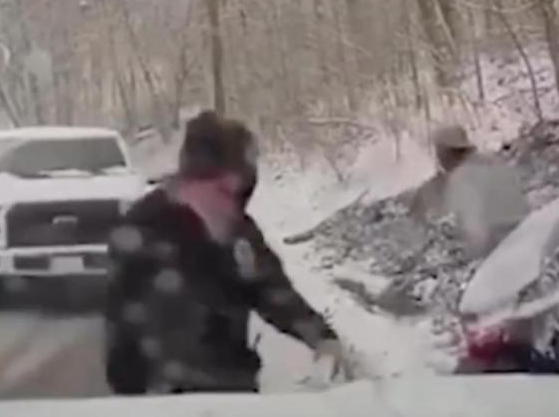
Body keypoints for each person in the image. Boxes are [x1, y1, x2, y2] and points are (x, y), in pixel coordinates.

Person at [104, 110, 349, 395]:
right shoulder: (142, 229)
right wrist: (131, 393)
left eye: (241, 191)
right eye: (221, 189)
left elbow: (272, 291)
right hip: (161, 394)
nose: (231, 202)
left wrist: (321, 337)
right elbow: (120, 322)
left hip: (232, 389)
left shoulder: (240, 234)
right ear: (191, 182)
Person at [410, 124, 529, 259]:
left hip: (500, 246)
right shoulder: (495, 162)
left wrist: (474, 261)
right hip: (524, 234)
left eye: (439, 153)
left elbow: (475, 228)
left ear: (445, 153)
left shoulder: (461, 177)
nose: (439, 160)